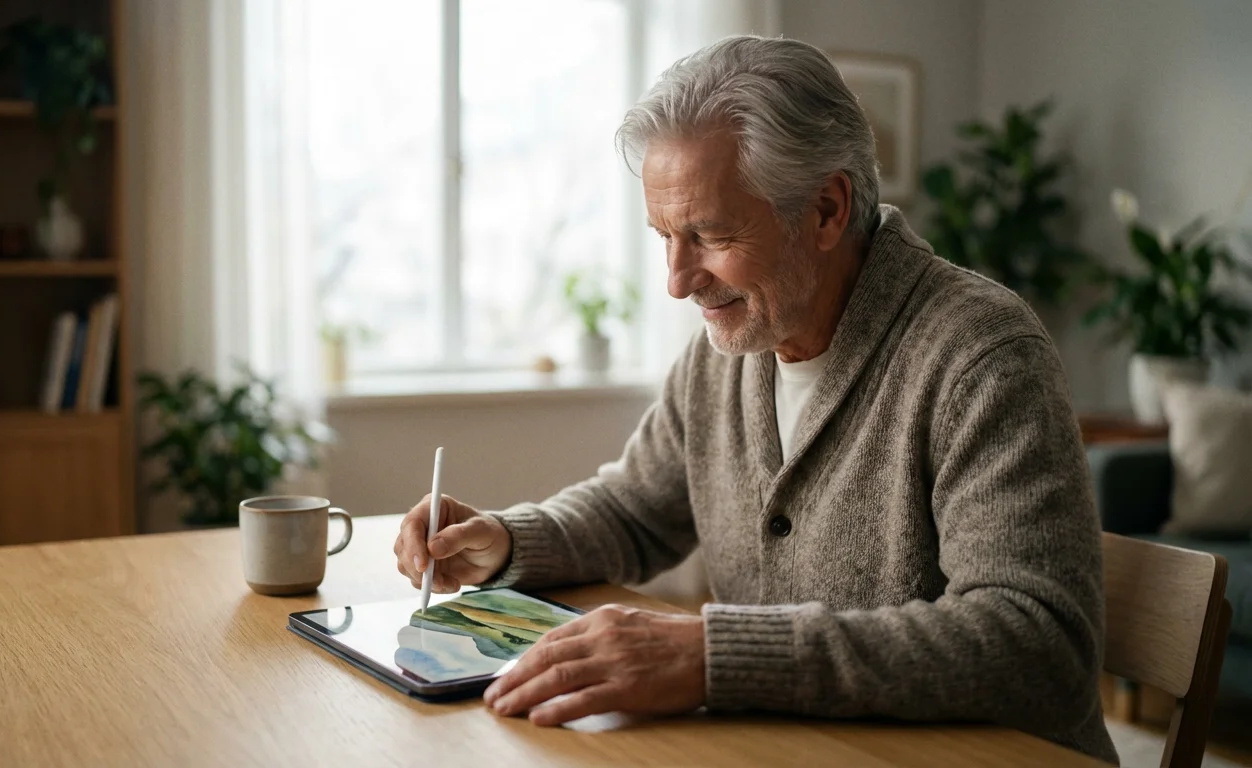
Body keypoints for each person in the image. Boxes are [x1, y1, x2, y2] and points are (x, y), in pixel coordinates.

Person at [392, 35, 1117, 764]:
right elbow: (636, 508)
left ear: (827, 210)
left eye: (708, 234)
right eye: (665, 237)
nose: (678, 280)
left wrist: (716, 655)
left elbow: (1038, 644)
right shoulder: (731, 349)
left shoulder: (979, 353)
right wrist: (510, 540)